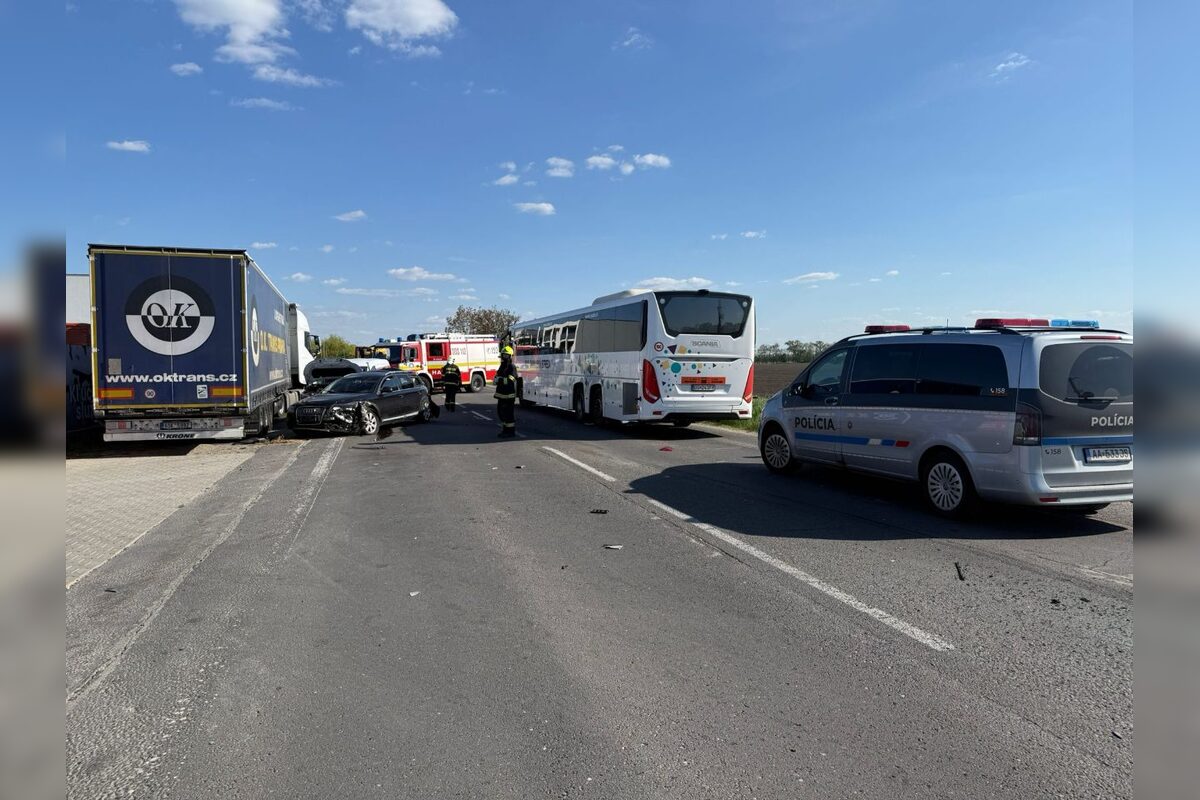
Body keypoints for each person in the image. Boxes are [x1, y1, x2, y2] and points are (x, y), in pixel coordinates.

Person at [494, 345, 518, 438]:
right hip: (501, 395)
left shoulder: (512, 367)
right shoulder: (502, 366)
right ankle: (504, 430)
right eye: (503, 355)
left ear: (510, 356)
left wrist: (500, 380)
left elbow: (511, 379)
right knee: (501, 413)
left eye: (506, 355)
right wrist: (496, 378)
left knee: (508, 415)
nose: (504, 357)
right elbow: (498, 375)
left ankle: (510, 432)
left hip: (509, 395)